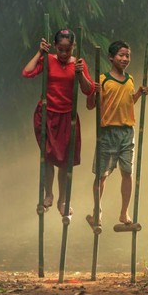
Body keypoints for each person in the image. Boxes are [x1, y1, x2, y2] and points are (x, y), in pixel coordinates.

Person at [22, 29, 94, 216]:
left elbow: (89, 90)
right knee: (46, 156)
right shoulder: (48, 59)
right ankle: (48, 195)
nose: (63, 54)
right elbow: (27, 72)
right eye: (60, 49)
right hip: (46, 114)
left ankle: (62, 200)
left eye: (67, 50)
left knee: (64, 162)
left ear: (73, 47)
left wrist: (80, 74)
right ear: (55, 46)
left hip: (67, 118)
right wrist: (40, 53)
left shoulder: (79, 63)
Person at [86, 40, 148, 225]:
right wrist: (93, 93)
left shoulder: (129, 80)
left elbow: (128, 103)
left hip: (127, 132)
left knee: (127, 172)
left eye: (127, 55)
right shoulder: (103, 80)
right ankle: (97, 212)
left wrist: (138, 93)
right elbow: (90, 106)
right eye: (121, 55)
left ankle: (124, 213)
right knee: (101, 175)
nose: (125, 58)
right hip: (107, 132)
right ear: (111, 58)